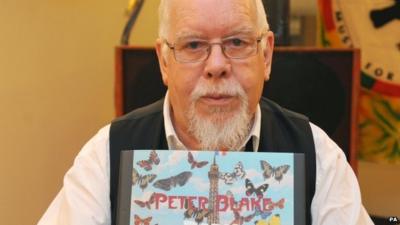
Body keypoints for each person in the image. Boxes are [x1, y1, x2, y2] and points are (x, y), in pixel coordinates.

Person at [38, 0, 374, 225]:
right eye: (194, 45)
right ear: (164, 61)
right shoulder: (107, 154)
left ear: (267, 55)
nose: (216, 66)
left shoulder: (318, 154)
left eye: (237, 43)